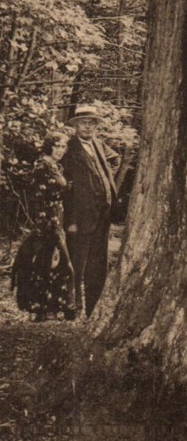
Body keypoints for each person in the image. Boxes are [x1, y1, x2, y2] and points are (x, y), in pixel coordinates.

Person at [10, 132, 76, 321]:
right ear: (49, 146)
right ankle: (48, 308)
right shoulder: (42, 166)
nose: (61, 150)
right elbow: (37, 199)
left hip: (57, 217)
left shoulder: (56, 166)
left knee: (50, 265)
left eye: (63, 147)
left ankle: (48, 309)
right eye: (57, 146)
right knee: (57, 264)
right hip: (47, 221)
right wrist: (47, 226)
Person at [62, 104, 119, 318]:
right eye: (84, 123)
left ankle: (93, 310)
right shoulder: (68, 149)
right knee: (76, 264)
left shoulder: (98, 144)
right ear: (76, 125)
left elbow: (115, 159)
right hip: (80, 217)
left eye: (92, 123)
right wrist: (71, 220)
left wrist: (106, 180)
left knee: (98, 264)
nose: (88, 127)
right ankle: (73, 309)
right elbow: (66, 190)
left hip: (102, 216)